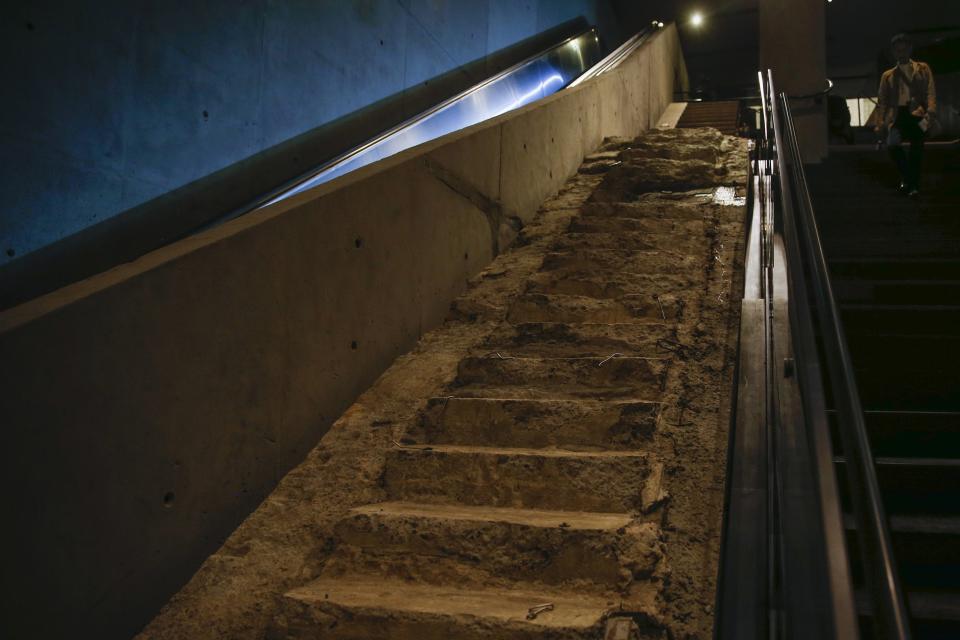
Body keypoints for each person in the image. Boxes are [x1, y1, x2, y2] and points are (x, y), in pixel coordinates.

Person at [875, 33, 937, 198]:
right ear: (893, 52)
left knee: (917, 149)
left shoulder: (922, 69)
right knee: (893, 144)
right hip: (897, 113)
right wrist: (880, 122)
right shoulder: (888, 75)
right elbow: (882, 101)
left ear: (910, 49)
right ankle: (910, 179)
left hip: (917, 112)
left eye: (904, 49)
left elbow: (930, 91)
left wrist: (931, 111)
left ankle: (912, 185)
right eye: (897, 50)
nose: (901, 52)